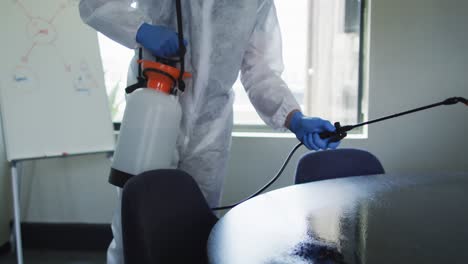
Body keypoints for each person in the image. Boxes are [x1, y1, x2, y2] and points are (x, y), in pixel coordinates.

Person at [79, 0, 340, 263]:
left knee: (195, 229)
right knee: (135, 229)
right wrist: (140, 29)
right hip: (153, 108)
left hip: (210, 128)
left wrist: (294, 118)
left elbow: (259, 68)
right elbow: (95, 5)